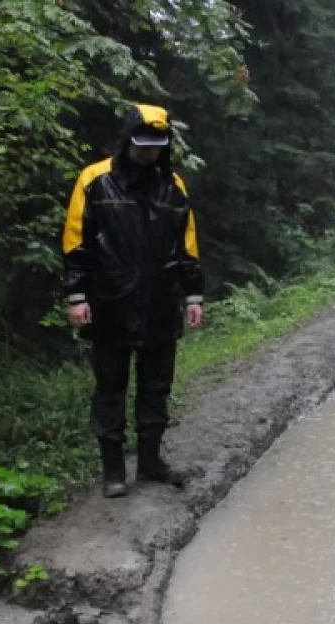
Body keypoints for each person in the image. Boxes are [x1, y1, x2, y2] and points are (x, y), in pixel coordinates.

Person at [61, 103, 206, 498]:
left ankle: (151, 461)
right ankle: (112, 471)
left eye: (156, 146)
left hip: (161, 301)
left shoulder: (173, 186)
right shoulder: (94, 180)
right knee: (110, 386)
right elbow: (76, 241)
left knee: (156, 386)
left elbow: (187, 244)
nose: (149, 153)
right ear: (127, 141)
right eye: (142, 145)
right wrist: (77, 295)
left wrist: (193, 294)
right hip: (110, 301)